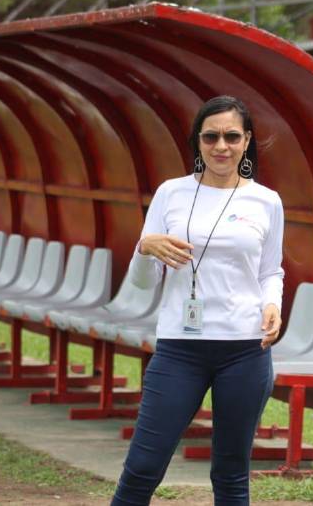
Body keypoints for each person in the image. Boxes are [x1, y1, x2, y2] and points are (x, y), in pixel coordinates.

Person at [111, 95, 285, 506]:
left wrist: (272, 304)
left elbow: (270, 271)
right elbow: (142, 283)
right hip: (180, 348)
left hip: (244, 348)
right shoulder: (171, 194)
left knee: (231, 471)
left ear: (246, 142)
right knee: (143, 466)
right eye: (211, 137)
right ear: (197, 141)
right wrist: (144, 248)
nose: (221, 146)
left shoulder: (266, 200)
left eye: (231, 137)